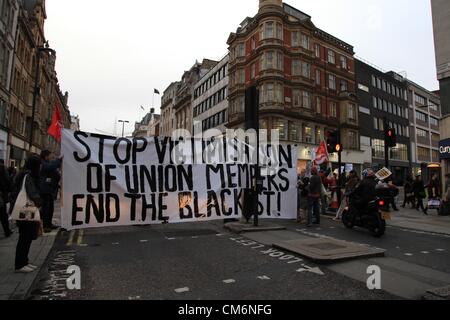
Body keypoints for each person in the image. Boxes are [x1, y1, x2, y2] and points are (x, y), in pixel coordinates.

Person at [11, 155, 42, 273]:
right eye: (39, 165)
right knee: (25, 237)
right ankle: (20, 264)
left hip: (24, 210)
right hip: (26, 211)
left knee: (26, 237)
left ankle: (24, 262)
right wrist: (39, 203)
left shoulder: (23, 173)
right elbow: (33, 193)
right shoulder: (27, 176)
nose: (40, 167)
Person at [39, 150, 62, 233]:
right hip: (44, 190)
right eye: (50, 156)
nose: (52, 158)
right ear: (46, 156)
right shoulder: (42, 163)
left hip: (49, 190)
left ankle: (49, 224)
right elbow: (49, 167)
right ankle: (46, 226)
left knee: (50, 209)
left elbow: (55, 173)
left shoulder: (48, 164)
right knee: (46, 209)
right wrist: (58, 160)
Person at [0, 159, 13, 238]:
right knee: (3, 215)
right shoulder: (2, 169)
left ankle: (7, 231)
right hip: (1, 195)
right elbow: (7, 181)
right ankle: (7, 231)